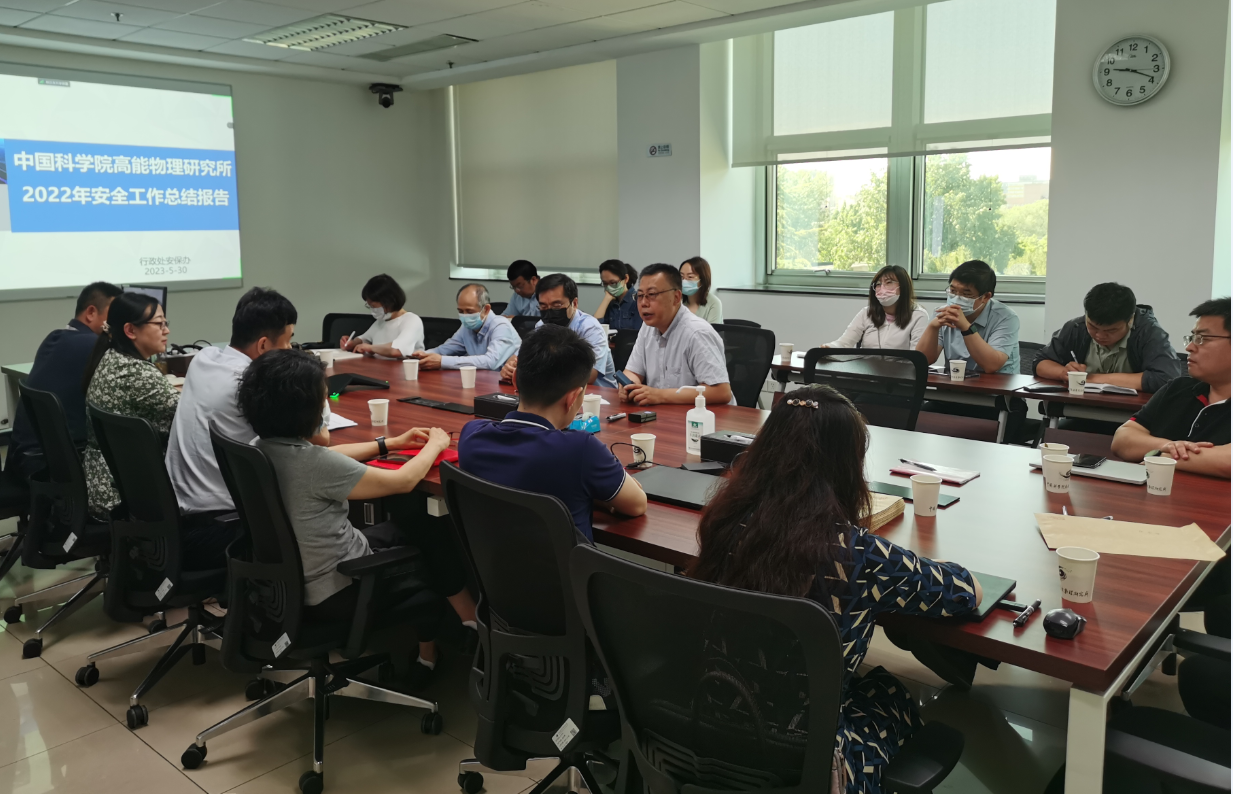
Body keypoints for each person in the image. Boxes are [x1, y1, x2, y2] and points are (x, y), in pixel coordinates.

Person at [688, 385, 981, 794]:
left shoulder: (723, 524)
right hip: (812, 762)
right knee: (891, 694)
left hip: (708, 729)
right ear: (847, 466)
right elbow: (965, 591)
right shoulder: (859, 553)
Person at [238, 349, 478, 687]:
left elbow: (325, 456)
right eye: (324, 399)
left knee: (413, 523)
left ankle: (459, 630)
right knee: (429, 536)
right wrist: (435, 445)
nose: (327, 406)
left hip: (288, 586)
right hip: (339, 589)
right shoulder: (315, 467)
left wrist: (388, 443)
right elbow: (403, 481)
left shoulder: (260, 447)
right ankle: (454, 638)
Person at [459, 324, 646, 542]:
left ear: (515, 379)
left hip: (491, 563)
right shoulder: (581, 450)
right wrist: (599, 496)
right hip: (570, 566)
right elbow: (636, 504)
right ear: (573, 398)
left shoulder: (471, 436)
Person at [165, 288, 299, 569]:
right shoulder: (249, 384)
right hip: (223, 527)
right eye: (287, 342)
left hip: (177, 515)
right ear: (263, 345)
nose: (289, 351)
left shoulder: (203, 359)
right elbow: (315, 437)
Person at [8, 281, 121, 478]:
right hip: (53, 465)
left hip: (25, 459)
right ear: (91, 312)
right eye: (115, 317)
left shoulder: (56, 337)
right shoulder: (93, 345)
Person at [82, 293, 178, 518]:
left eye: (166, 323)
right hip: (125, 492)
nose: (166, 331)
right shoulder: (137, 373)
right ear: (130, 330)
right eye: (159, 324)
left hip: (104, 481)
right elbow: (187, 418)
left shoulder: (112, 357)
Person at [1112, 297, 1230, 479]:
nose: (1189, 347)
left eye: (1202, 339)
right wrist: (1166, 446)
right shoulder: (1177, 388)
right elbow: (1122, 439)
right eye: (1192, 338)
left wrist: (1162, 457)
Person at [1033, 282, 1184, 393]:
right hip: (1081, 409)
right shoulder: (1076, 327)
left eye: (1111, 330)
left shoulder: (1149, 333)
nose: (1099, 335)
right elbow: (1040, 362)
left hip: (1134, 416)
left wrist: (1091, 378)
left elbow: (1166, 378)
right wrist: (1064, 373)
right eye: (1093, 327)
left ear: (1130, 319)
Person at [620, 263, 733, 406]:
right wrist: (628, 386)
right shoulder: (647, 327)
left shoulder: (697, 332)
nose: (643, 303)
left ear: (676, 297)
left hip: (705, 416)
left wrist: (660, 395)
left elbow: (721, 392)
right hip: (666, 414)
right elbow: (633, 371)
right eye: (640, 295)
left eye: (652, 295)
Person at [499, 274, 617, 389]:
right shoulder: (541, 325)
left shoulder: (590, 328)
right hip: (553, 391)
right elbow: (519, 357)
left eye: (557, 306)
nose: (549, 312)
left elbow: (589, 375)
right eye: (543, 307)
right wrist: (510, 368)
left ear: (574, 303)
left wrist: (538, 371)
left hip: (598, 395)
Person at [916, 259, 1020, 374]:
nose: (957, 298)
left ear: (985, 297)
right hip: (955, 381)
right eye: (953, 291)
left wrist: (966, 327)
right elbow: (923, 360)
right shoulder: (942, 313)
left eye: (966, 294)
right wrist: (932, 328)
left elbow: (991, 365)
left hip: (997, 383)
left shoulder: (1006, 318)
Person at [413, 284, 520, 371]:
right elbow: (444, 350)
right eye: (460, 311)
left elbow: (490, 362)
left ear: (486, 309)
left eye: (469, 311)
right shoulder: (466, 327)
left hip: (506, 385)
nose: (465, 316)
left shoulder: (501, 326)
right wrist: (423, 355)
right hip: (480, 381)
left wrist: (442, 361)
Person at [822, 265, 929, 350]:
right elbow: (844, 343)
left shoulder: (918, 316)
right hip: (868, 369)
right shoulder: (866, 313)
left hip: (903, 370)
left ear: (903, 287)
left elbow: (916, 356)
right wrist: (829, 348)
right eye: (878, 284)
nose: (882, 288)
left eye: (888, 282)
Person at [339, 274, 424, 360]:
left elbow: (397, 350)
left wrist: (371, 348)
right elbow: (364, 338)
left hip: (403, 367)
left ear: (389, 302)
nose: (372, 310)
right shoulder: (381, 321)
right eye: (369, 306)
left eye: (373, 306)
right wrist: (351, 343)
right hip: (380, 366)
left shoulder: (412, 320)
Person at [594, 259, 642, 331]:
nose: (609, 287)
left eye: (613, 283)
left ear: (626, 279)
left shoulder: (638, 300)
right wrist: (606, 299)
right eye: (605, 283)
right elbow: (594, 327)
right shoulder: (610, 303)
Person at [680, 256, 724, 324]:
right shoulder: (677, 301)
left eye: (690, 277)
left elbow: (712, 330)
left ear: (703, 279)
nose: (684, 281)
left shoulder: (714, 303)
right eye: (681, 276)